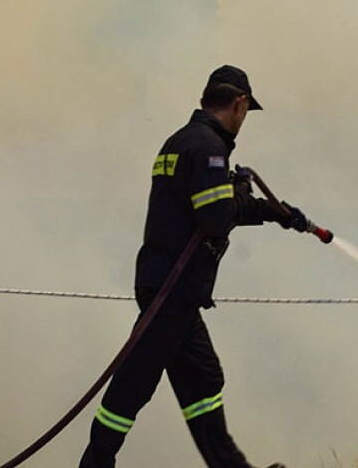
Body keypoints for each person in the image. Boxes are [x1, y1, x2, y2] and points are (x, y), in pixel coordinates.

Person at [78, 65, 308, 468]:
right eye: (246, 112)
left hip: (172, 288)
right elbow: (216, 218)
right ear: (240, 104)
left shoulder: (182, 141)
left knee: (203, 378)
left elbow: (213, 207)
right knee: (132, 386)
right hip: (172, 289)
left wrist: (276, 213)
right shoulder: (209, 148)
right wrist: (241, 193)